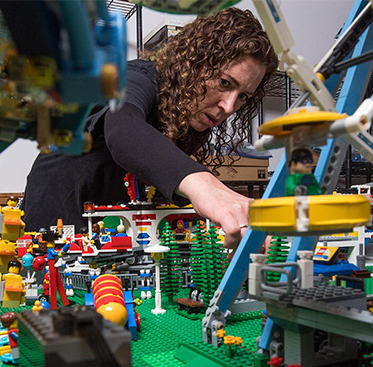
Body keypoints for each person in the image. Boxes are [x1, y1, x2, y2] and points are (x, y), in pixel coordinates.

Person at [22, 8, 278, 250]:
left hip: (107, 226)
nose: (229, 106)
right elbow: (123, 130)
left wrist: (227, 205)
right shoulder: (137, 77)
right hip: (57, 214)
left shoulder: (189, 114)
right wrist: (206, 188)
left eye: (243, 96)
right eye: (224, 82)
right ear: (195, 63)